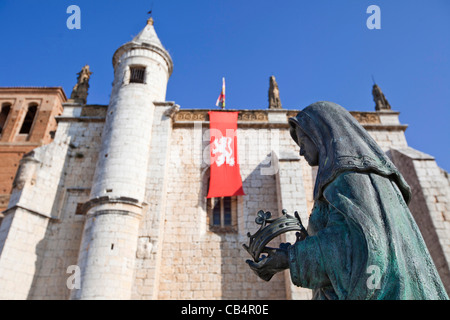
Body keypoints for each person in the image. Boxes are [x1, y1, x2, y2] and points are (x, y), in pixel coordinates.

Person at [246, 101, 449, 300]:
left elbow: (363, 244)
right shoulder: (355, 175)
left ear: (319, 135)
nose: (300, 151)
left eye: (302, 141)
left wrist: (291, 257)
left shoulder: (348, 177)